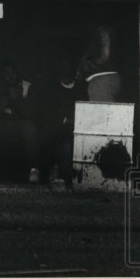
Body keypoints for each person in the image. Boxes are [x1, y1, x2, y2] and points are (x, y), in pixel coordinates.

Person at [0, 61, 39, 183]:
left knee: (30, 127)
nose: (11, 77)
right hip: (1, 123)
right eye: (7, 73)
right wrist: (7, 97)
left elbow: (32, 113)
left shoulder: (26, 86)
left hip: (19, 124)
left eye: (13, 73)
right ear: (2, 75)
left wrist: (20, 99)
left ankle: (34, 170)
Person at [37, 57, 87, 186]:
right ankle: (53, 172)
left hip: (77, 126)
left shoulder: (81, 88)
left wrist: (74, 121)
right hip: (56, 126)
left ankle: (68, 176)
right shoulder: (51, 88)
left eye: (69, 68)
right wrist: (64, 120)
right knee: (51, 136)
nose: (66, 71)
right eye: (63, 68)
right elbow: (48, 112)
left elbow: (85, 110)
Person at [80, 23, 121, 101]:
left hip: (102, 79)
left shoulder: (102, 30)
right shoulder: (101, 31)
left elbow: (105, 55)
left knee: (101, 110)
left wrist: (88, 66)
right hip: (102, 79)